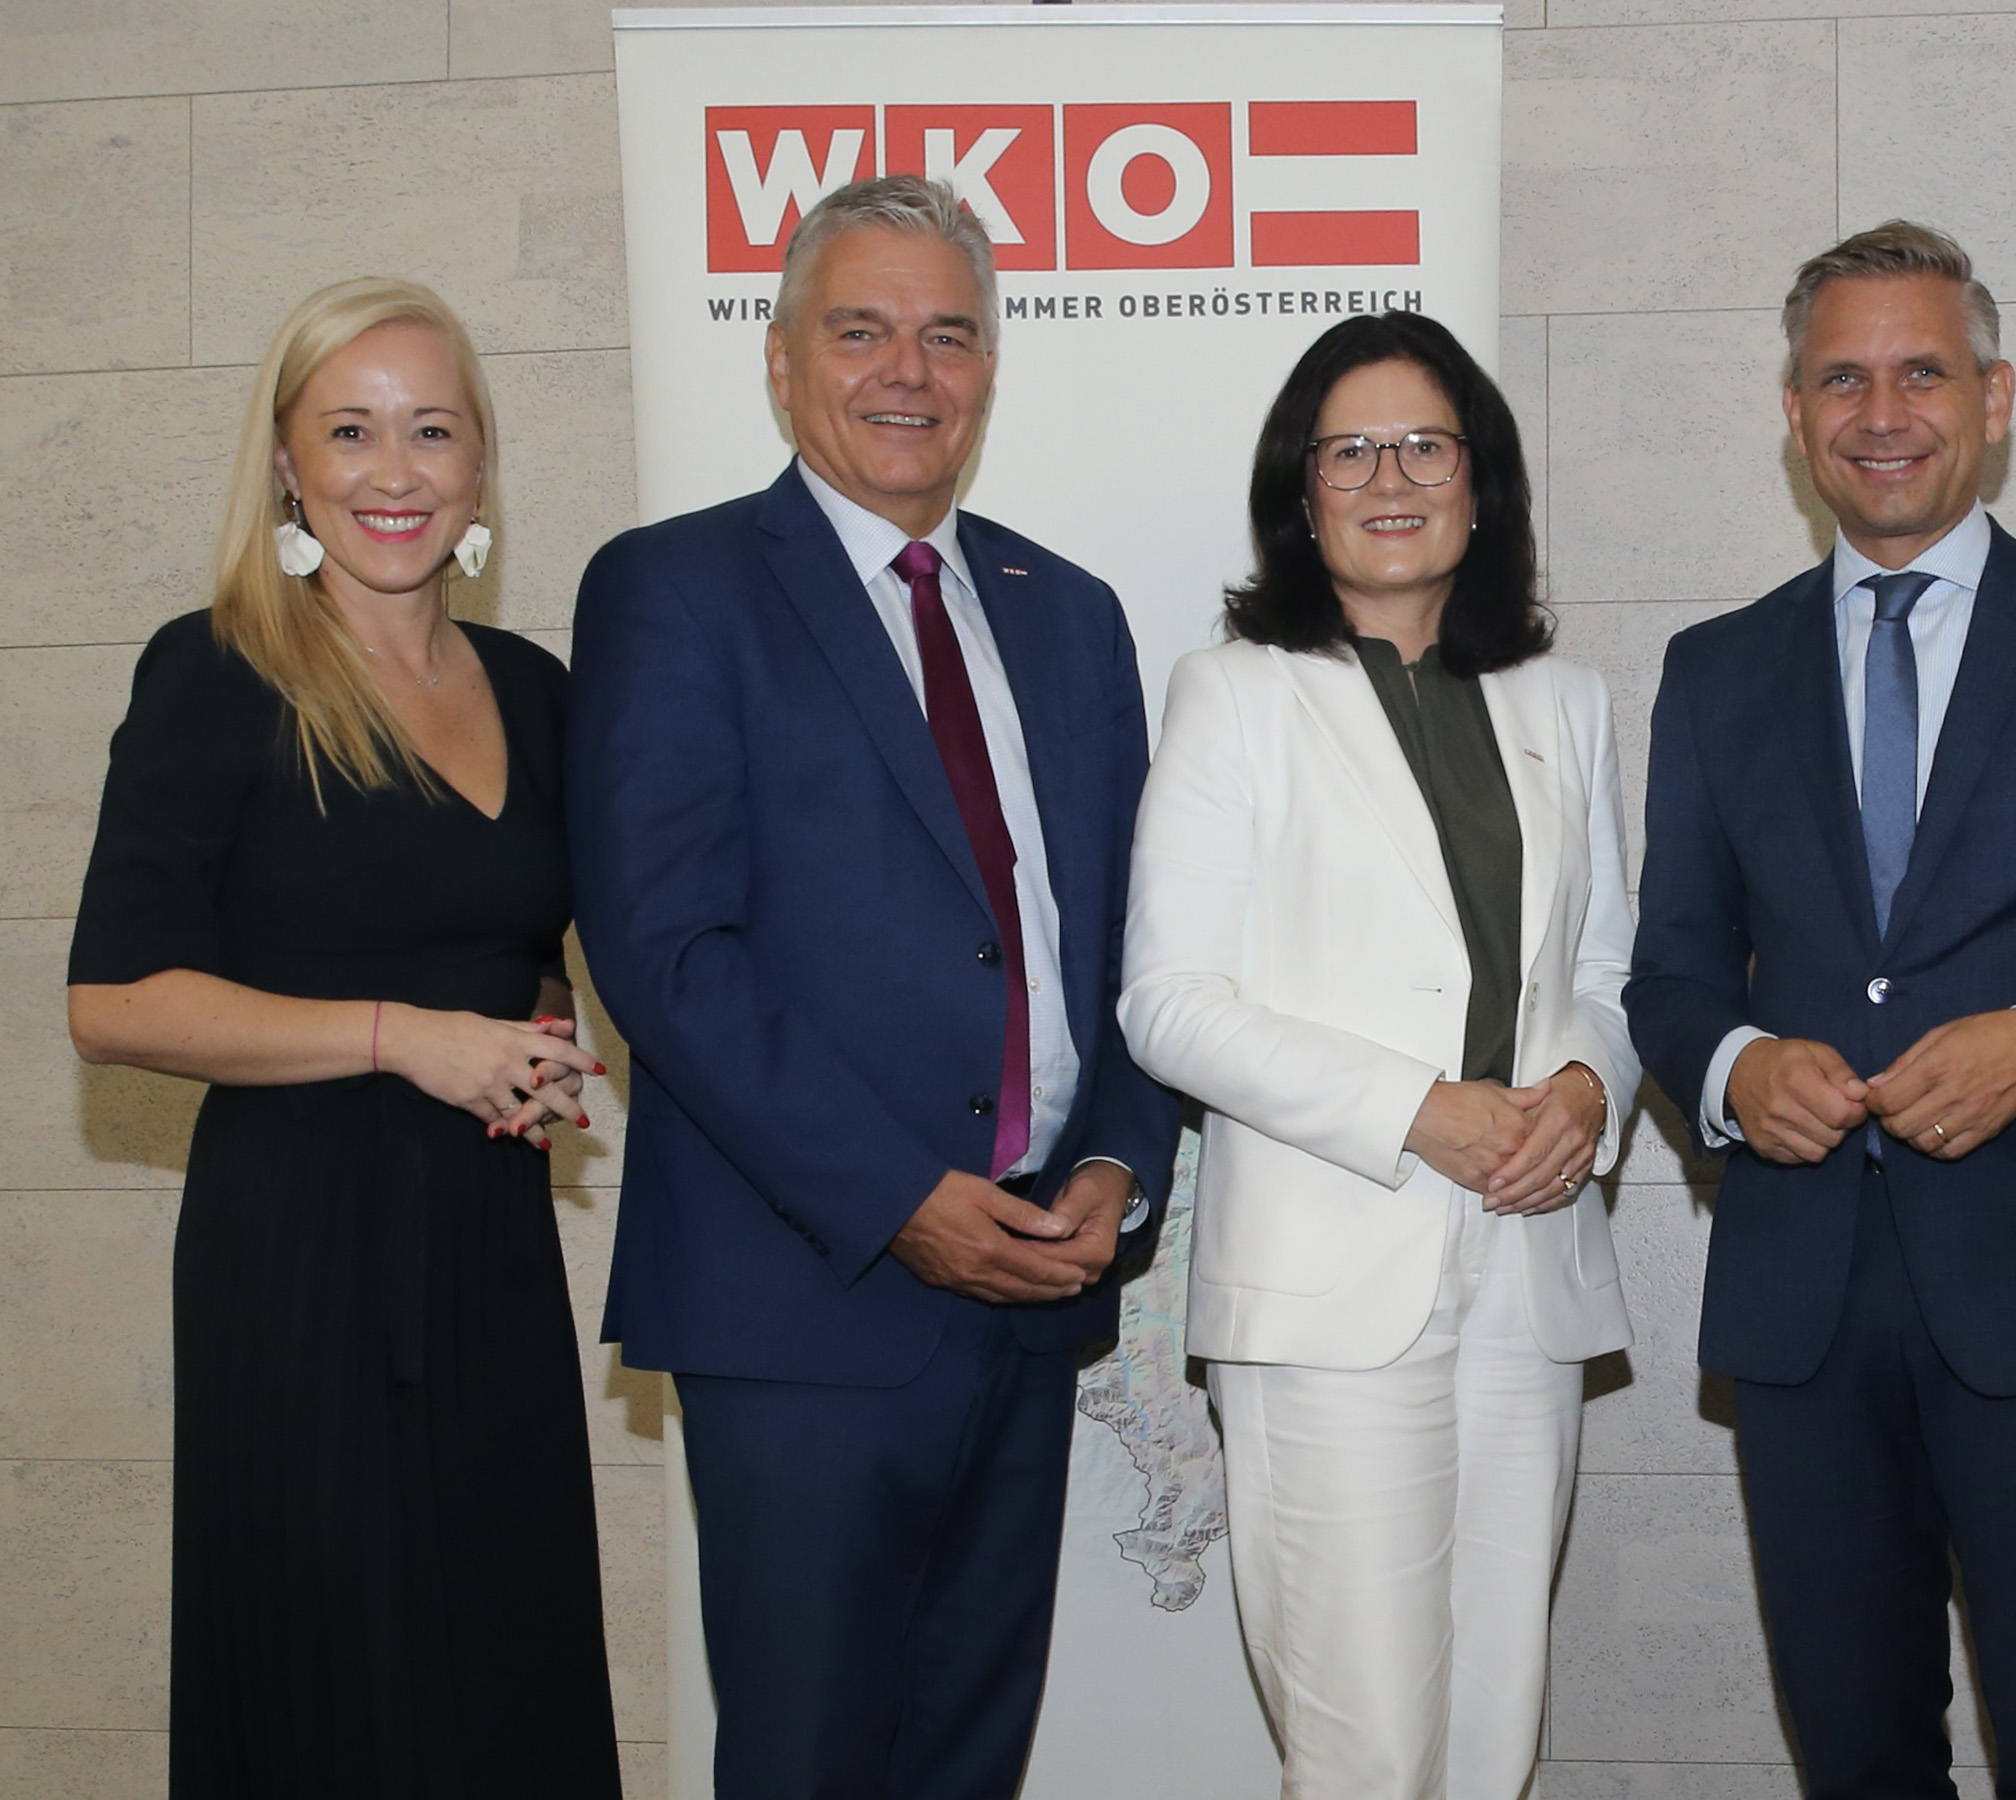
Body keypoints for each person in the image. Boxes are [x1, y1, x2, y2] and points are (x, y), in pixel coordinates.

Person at [1624, 221, 2016, 1800]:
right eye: (1843, 379)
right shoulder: (1715, 671)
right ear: (1795, 414)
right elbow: (1671, 974)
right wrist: (1734, 1067)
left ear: (1995, 396)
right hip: (1802, 1306)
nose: (1884, 412)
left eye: (1923, 372)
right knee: (1854, 1756)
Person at [565, 175, 1178, 1798]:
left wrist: (1121, 1162)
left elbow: (1135, 940)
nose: (910, 370)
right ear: (781, 363)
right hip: (804, 1301)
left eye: (949, 336)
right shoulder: (675, 588)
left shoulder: (1071, 614)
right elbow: (662, 950)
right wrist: (899, 1197)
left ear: (989, 370)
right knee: (812, 1761)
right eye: (861, 331)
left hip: (1033, 1290)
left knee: (968, 1757)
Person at [65, 277, 618, 1797]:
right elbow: (112, 1003)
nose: (396, 472)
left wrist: (539, 1031)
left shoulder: (537, 691)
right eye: (351, 431)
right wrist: (404, 1039)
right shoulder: (216, 669)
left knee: (499, 1664)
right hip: (300, 1254)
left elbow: (518, 940)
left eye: (432, 430)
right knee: (338, 1681)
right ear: (288, 464)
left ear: (480, 462)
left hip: (488, 1246)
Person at [1119, 310, 1636, 1799]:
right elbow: (1169, 1002)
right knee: (1365, 1753)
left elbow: (1607, 973)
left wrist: (1587, 1092)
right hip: (1330, 1288)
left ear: (1483, 482)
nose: (1390, 478)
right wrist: (1418, 1111)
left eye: (1425, 445)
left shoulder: (1566, 702)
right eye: (1349, 452)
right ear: (1301, 493)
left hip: (1528, 1271)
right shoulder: (1235, 694)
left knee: (1491, 1736)